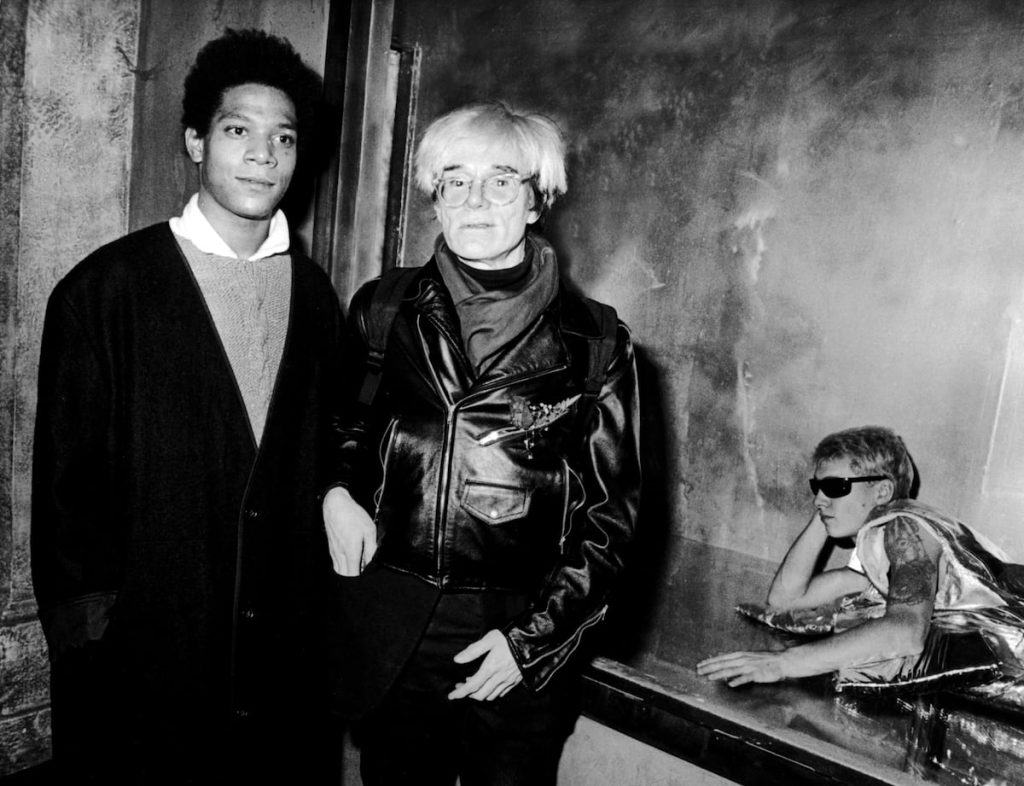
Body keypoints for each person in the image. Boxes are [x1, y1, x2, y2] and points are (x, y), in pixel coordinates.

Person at [31, 29, 344, 783]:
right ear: (196, 141)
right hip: (148, 665)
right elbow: (65, 496)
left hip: (281, 663)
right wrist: (90, 647)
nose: (263, 155)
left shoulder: (316, 298)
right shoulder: (103, 293)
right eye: (238, 131)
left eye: (284, 138)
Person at [322, 101, 642, 785]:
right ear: (436, 199)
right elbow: (342, 427)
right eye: (456, 181)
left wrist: (529, 644)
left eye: (500, 181)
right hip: (395, 626)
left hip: (516, 629)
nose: (474, 200)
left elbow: (611, 523)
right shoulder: (383, 308)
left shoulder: (595, 341)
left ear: (536, 200)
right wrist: (337, 492)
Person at [697, 426, 1024, 692]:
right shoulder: (880, 550)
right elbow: (785, 599)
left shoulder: (906, 527)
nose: (818, 499)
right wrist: (825, 513)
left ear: (882, 492)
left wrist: (783, 663)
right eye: (816, 487)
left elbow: (905, 633)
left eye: (835, 486)